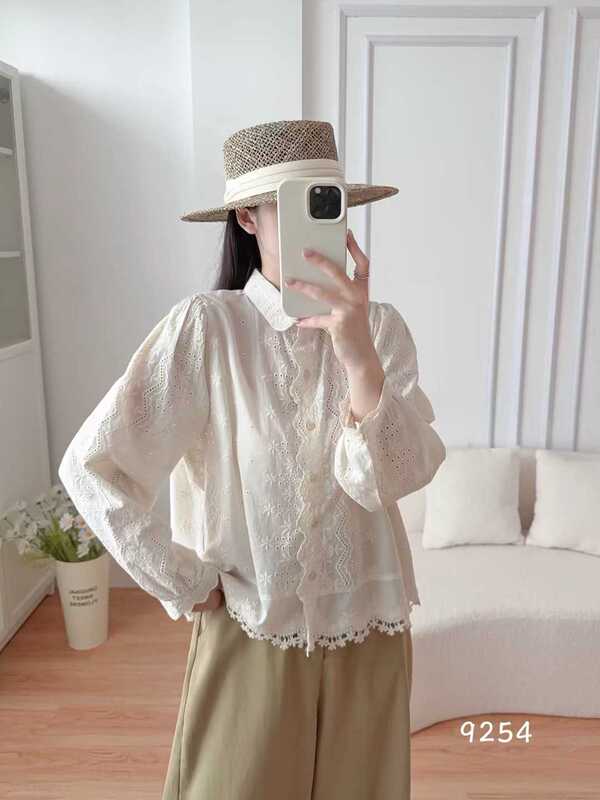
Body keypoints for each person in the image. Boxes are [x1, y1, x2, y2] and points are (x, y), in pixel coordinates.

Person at [57, 119, 447, 800]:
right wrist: (183, 578)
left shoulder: (381, 328)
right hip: (251, 628)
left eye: (328, 202)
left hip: (371, 630)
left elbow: (388, 480)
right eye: (294, 205)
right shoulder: (208, 329)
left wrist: (359, 359)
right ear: (246, 217)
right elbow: (94, 467)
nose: (318, 223)